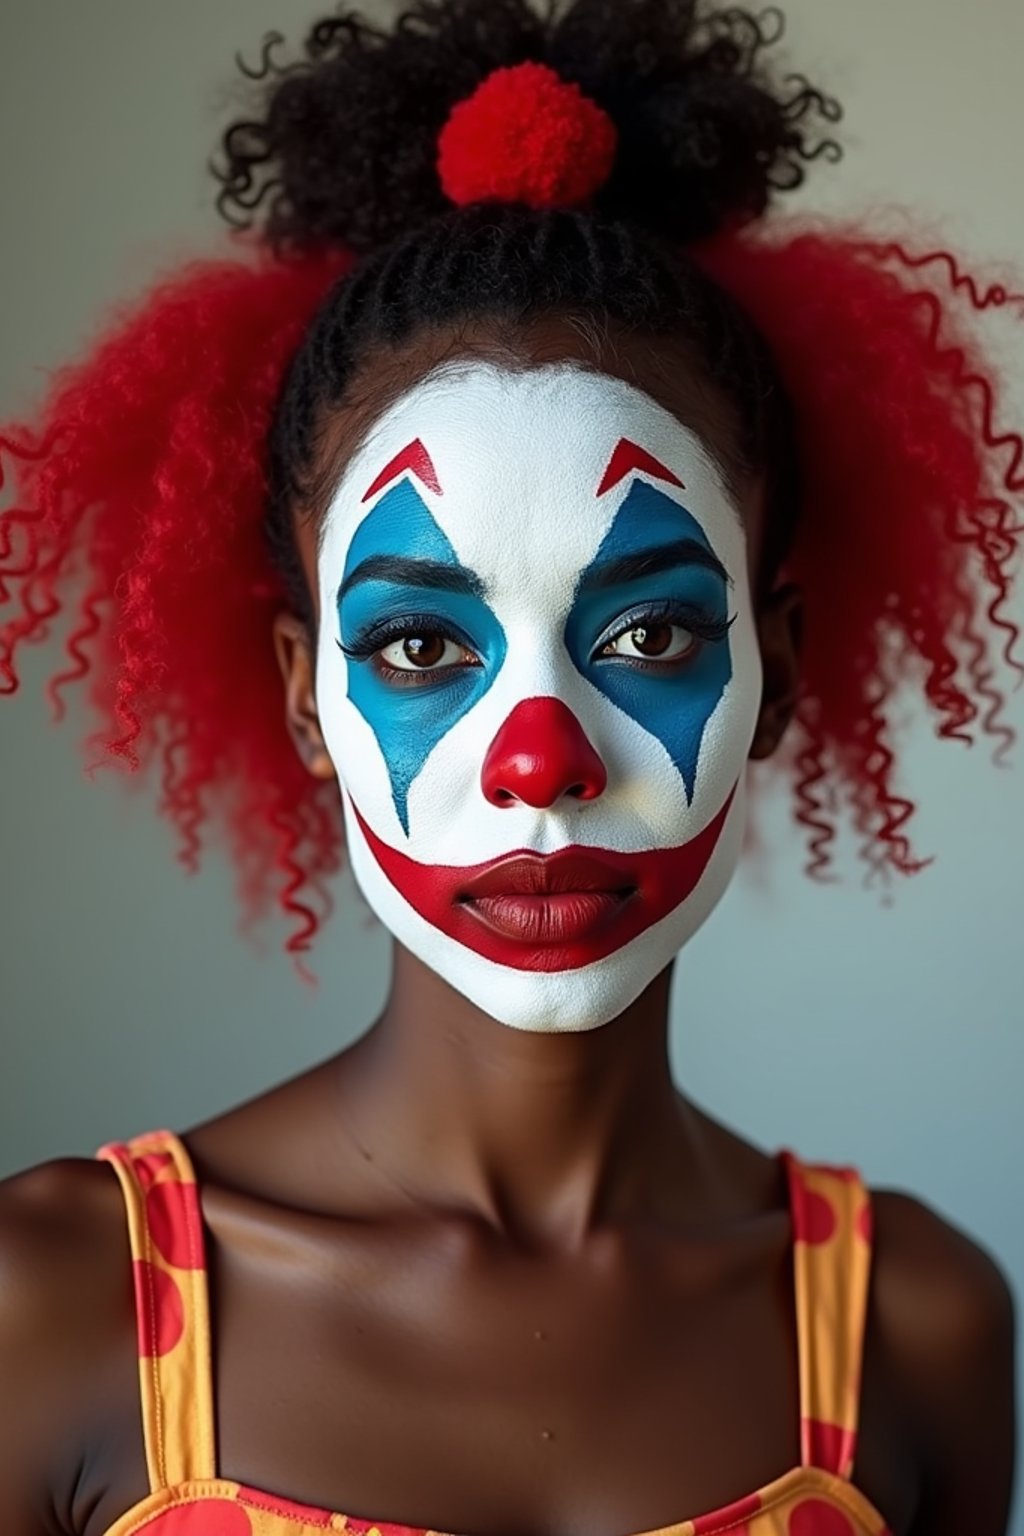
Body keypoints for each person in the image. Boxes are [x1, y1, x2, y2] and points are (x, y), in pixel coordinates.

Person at [0, 1, 1019, 1533]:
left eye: (655, 634)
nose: (542, 763)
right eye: (420, 648)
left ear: (781, 675)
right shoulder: (47, 1302)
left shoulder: (919, 1325)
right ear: (306, 698)